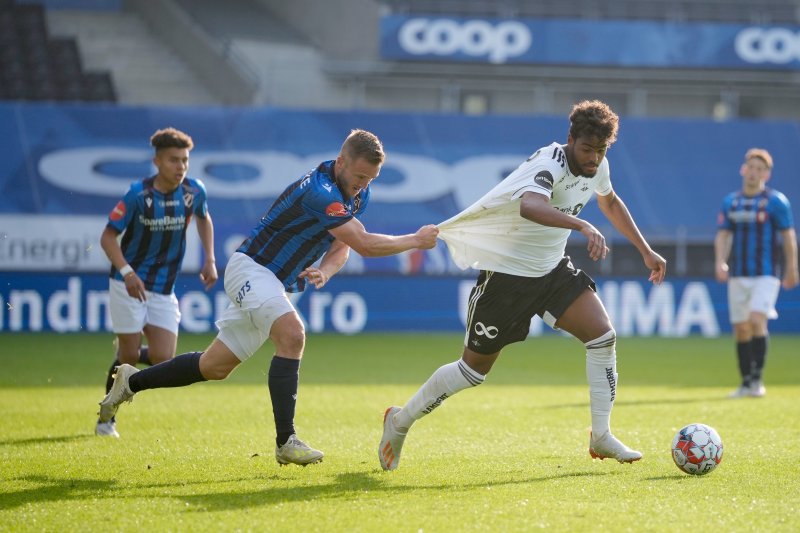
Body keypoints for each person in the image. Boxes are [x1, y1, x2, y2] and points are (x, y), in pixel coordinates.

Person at [99, 129, 439, 465]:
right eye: (361, 176)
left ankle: (131, 381)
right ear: (341, 162)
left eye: (371, 179)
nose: (364, 185)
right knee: (293, 335)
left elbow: (344, 245)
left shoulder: (356, 193)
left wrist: (326, 270)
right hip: (251, 269)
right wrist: (414, 239)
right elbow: (364, 243)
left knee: (214, 367)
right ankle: (285, 441)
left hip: (273, 283)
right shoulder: (320, 191)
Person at [378, 100, 667, 471]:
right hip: (507, 278)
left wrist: (645, 249)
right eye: (587, 149)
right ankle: (399, 422)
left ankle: (601, 435)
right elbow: (529, 206)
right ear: (570, 139)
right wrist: (581, 225)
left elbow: (609, 202)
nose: (594, 159)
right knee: (472, 372)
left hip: (552, 272)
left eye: (601, 150)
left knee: (602, 336)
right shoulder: (548, 163)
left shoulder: (599, 164)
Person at [96, 127, 217, 438]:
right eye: (174, 160)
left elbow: (203, 217)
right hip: (128, 284)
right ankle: (106, 417)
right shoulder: (138, 194)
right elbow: (108, 237)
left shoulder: (194, 191)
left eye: (185, 161)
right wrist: (127, 272)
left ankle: (131, 347)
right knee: (128, 358)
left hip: (163, 287)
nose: (181, 167)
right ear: (157, 161)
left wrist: (209, 259)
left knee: (163, 358)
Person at [714, 148, 798, 399]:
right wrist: (720, 261)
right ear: (743, 169)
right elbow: (723, 235)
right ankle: (745, 382)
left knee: (756, 319)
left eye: (760, 169)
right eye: (751, 167)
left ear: (767, 174)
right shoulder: (731, 202)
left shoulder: (776, 202)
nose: (754, 172)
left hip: (766, 273)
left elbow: (788, 236)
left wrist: (792, 267)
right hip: (738, 274)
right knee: (741, 328)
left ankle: (757, 380)